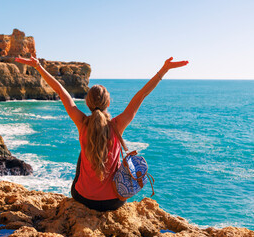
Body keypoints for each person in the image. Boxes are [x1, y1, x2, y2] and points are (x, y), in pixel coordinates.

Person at [15, 55, 188, 211]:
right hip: (113, 201)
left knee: (83, 154)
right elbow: (141, 95)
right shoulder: (117, 125)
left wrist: (38, 66)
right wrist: (164, 69)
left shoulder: (82, 122)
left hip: (82, 198)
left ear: (87, 103)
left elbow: (61, 91)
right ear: (108, 102)